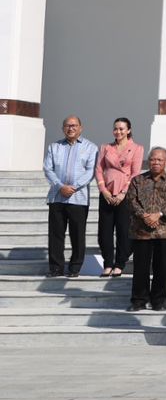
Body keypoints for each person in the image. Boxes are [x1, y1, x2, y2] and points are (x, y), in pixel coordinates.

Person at [126, 148, 166, 312]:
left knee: (162, 267)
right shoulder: (137, 180)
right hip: (141, 231)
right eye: (153, 159)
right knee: (140, 268)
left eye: (160, 160)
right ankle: (138, 300)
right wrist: (144, 216)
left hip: (165, 231)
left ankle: (158, 300)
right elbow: (131, 200)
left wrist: (159, 215)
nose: (156, 162)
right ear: (148, 160)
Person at [44, 115, 97, 278]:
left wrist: (73, 188)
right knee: (55, 234)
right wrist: (61, 187)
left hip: (78, 198)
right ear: (63, 128)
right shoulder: (54, 147)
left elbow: (90, 171)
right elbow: (48, 169)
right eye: (67, 125)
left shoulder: (91, 148)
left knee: (78, 234)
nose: (71, 128)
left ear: (81, 128)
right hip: (57, 197)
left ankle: (75, 267)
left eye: (74, 125)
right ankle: (56, 267)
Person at [94, 117, 143, 278]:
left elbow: (136, 173)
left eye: (122, 129)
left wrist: (123, 193)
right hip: (107, 194)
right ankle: (107, 263)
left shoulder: (136, 148)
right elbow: (99, 170)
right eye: (116, 128)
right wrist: (104, 191)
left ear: (128, 130)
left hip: (125, 195)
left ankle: (119, 263)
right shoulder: (105, 147)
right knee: (104, 232)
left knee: (123, 230)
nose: (118, 131)